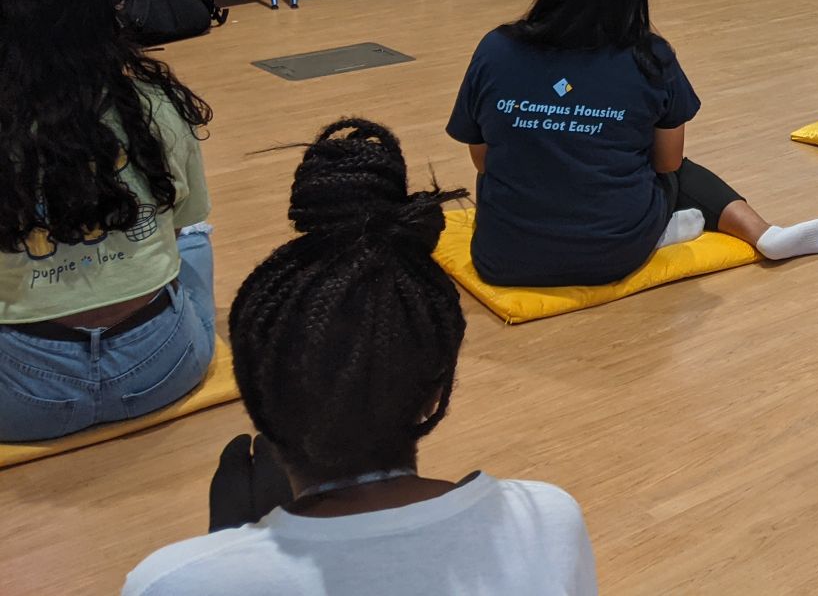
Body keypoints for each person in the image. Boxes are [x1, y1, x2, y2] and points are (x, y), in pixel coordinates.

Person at [122, 119, 598, 595]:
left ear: (249, 387)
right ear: (436, 390)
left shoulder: (170, 581)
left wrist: (227, 561)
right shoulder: (546, 521)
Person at [450, 0, 818, 284]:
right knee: (678, 172)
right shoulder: (650, 57)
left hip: (504, 258)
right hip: (613, 254)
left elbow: (482, 159)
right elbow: (667, 163)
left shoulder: (496, 48)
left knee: (517, 164)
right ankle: (760, 233)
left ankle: (657, 228)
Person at [0, 0, 216, 443]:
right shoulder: (155, 105)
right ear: (111, 23)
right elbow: (184, 223)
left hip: (20, 399)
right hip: (163, 368)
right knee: (195, 235)